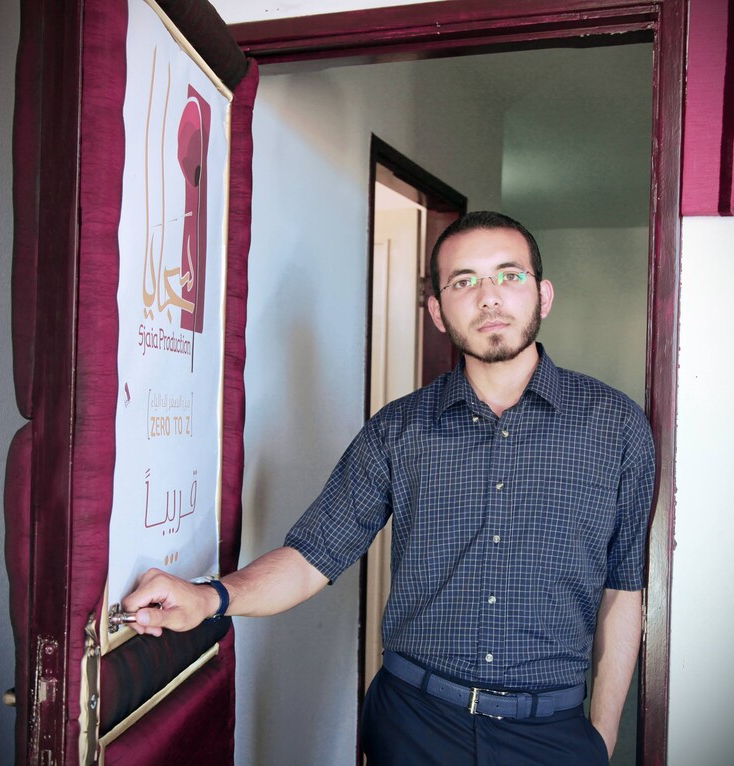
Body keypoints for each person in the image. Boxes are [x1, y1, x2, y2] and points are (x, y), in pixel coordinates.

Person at [123, 211, 655, 766]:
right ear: (436, 311)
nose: (489, 297)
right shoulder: (398, 430)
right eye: (464, 281)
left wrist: (602, 735)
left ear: (543, 295)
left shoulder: (616, 427)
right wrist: (210, 597)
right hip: (414, 726)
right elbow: (311, 557)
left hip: (553, 735)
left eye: (509, 275)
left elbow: (624, 589)